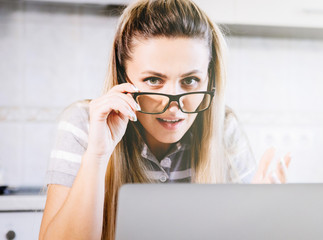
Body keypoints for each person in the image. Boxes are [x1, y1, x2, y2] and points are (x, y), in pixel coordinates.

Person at [39, 0, 291, 239]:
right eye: (153, 80)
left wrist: (260, 220)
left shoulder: (223, 127)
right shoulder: (85, 124)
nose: (174, 103)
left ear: (209, 79)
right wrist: (97, 155)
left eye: (190, 81)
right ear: (122, 76)